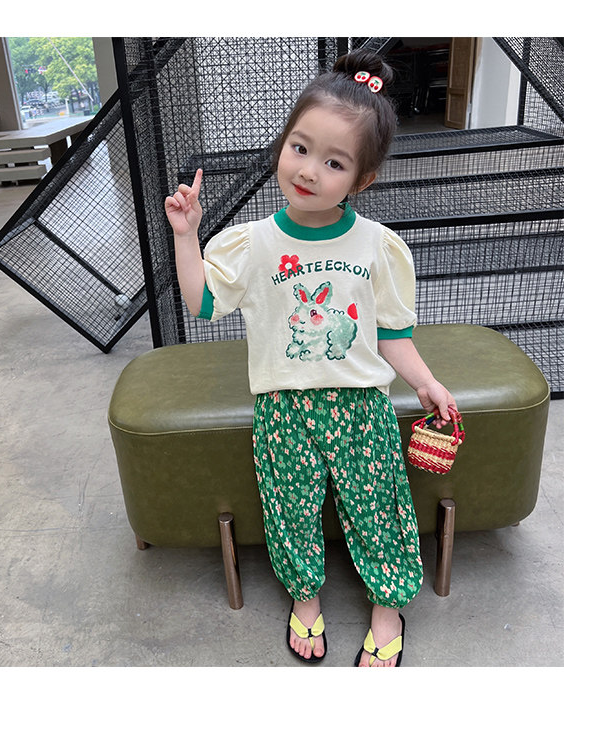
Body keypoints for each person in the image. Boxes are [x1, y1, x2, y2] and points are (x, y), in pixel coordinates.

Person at [164, 49, 458, 667]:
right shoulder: (253, 243)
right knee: (290, 509)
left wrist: (426, 383)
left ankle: (388, 607)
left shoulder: (377, 246)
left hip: (361, 409)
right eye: (300, 148)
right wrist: (187, 238)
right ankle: (305, 596)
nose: (308, 171)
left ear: (362, 180)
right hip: (284, 409)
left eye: (334, 162)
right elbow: (202, 303)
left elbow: (392, 335)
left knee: (378, 509)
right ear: (283, 144)